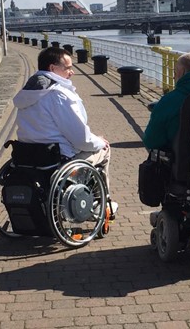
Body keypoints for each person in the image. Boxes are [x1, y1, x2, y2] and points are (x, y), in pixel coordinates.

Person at [12, 47, 118, 218]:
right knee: (103, 150)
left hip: (27, 157)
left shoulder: (28, 92)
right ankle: (101, 204)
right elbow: (81, 139)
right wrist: (99, 141)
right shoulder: (58, 95)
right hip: (57, 159)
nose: (72, 72)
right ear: (53, 68)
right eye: (68, 68)